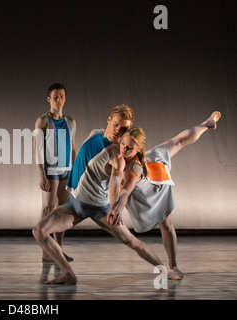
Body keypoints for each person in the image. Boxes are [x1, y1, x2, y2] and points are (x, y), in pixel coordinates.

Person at [33, 104, 165, 285]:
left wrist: (114, 208)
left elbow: (114, 185)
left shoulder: (117, 156)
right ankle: (68, 273)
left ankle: (164, 269)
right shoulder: (96, 133)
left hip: (99, 208)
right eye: (116, 124)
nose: (119, 131)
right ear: (109, 120)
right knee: (39, 231)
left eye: (124, 128)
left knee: (132, 242)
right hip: (75, 205)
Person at [107, 111, 222, 280]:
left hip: (154, 185)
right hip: (151, 160)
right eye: (123, 143)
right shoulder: (123, 150)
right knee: (178, 140)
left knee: (166, 224)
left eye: (129, 147)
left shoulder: (134, 171)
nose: (124, 148)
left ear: (138, 148)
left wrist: (117, 209)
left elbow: (125, 191)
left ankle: (173, 266)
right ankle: (207, 123)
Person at [34, 83, 76, 261]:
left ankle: (58, 249)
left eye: (62, 96)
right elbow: (37, 149)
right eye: (55, 96)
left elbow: (72, 148)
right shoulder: (43, 121)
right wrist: (41, 173)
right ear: (49, 99)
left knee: (63, 211)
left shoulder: (71, 122)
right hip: (51, 170)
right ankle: (46, 251)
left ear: (65, 98)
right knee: (48, 209)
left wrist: (75, 172)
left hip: (66, 170)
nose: (59, 99)